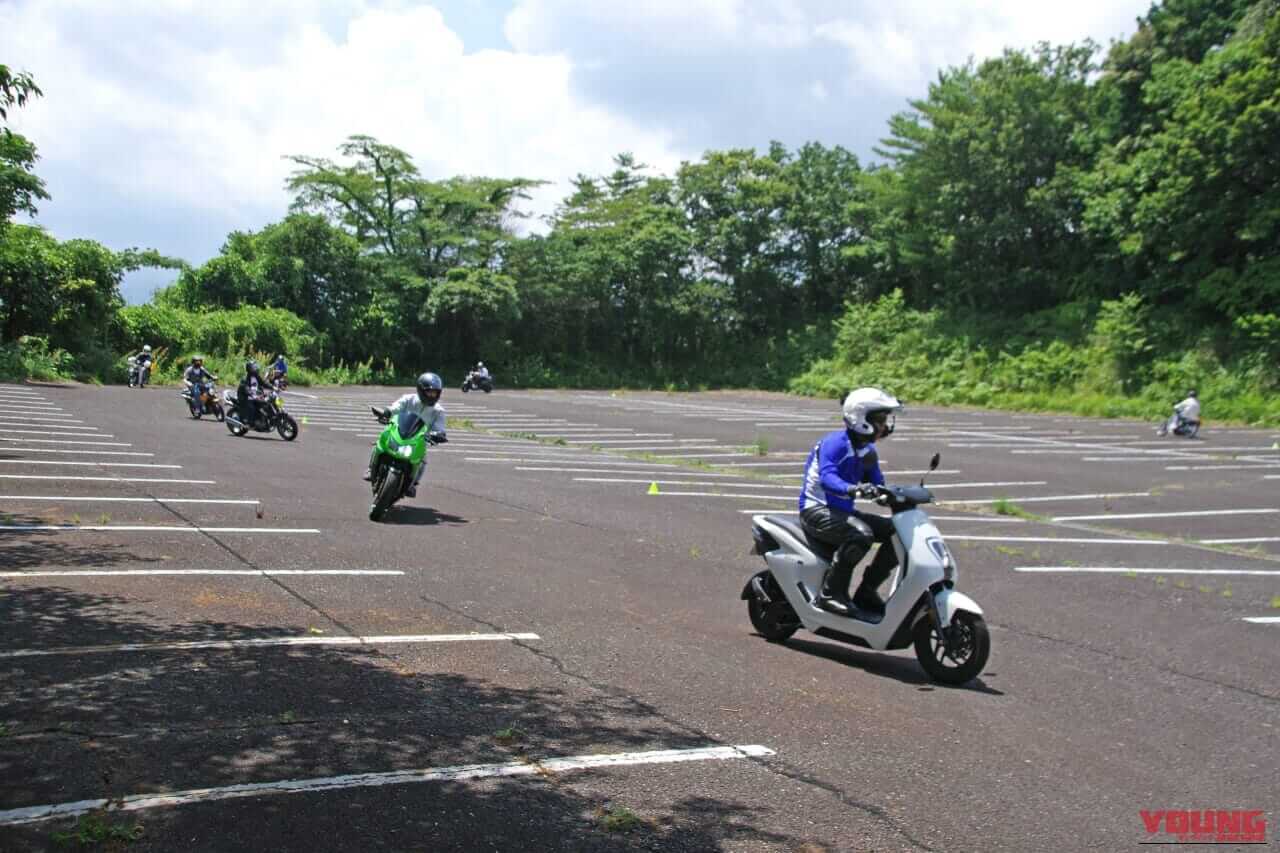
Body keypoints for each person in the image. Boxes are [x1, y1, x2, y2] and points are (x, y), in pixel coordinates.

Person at [798, 387, 904, 616]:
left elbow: (878, 485)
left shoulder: (867, 451)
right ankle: (830, 594)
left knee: (897, 532)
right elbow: (828, 478)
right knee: (860, 534)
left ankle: (867, 591)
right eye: (880, 420)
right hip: (816, 510)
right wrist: (852, 489)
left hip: (840, 513)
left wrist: (896, 496)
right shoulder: (834, 443)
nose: (884, 426)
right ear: (861, 419)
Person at [363, 372, 447, 497]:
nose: (432, 395)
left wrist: (439, 434)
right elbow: (396, 407)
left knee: (422, 459)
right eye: (429, 392)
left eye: (435, 392)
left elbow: (439, 427)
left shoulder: (438, 411)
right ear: (421, 389)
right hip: (399, 431)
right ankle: (371, 468)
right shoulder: (409, 399)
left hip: (418, 439)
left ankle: (412, 483)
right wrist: (387, 412)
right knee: (382, 439)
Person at [234, 360, 265, 428]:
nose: (256, 368)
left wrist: (273, 387)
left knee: (264, 403)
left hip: (253, 395)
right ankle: (249, 423)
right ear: (250, 369)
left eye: (256, 366)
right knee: (252, 406)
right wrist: (254, 395)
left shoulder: (256, 376)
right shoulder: (245, 378)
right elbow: (247, 389)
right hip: (244, 397)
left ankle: (261, 418)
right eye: (254, 367)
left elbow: (263, 383)